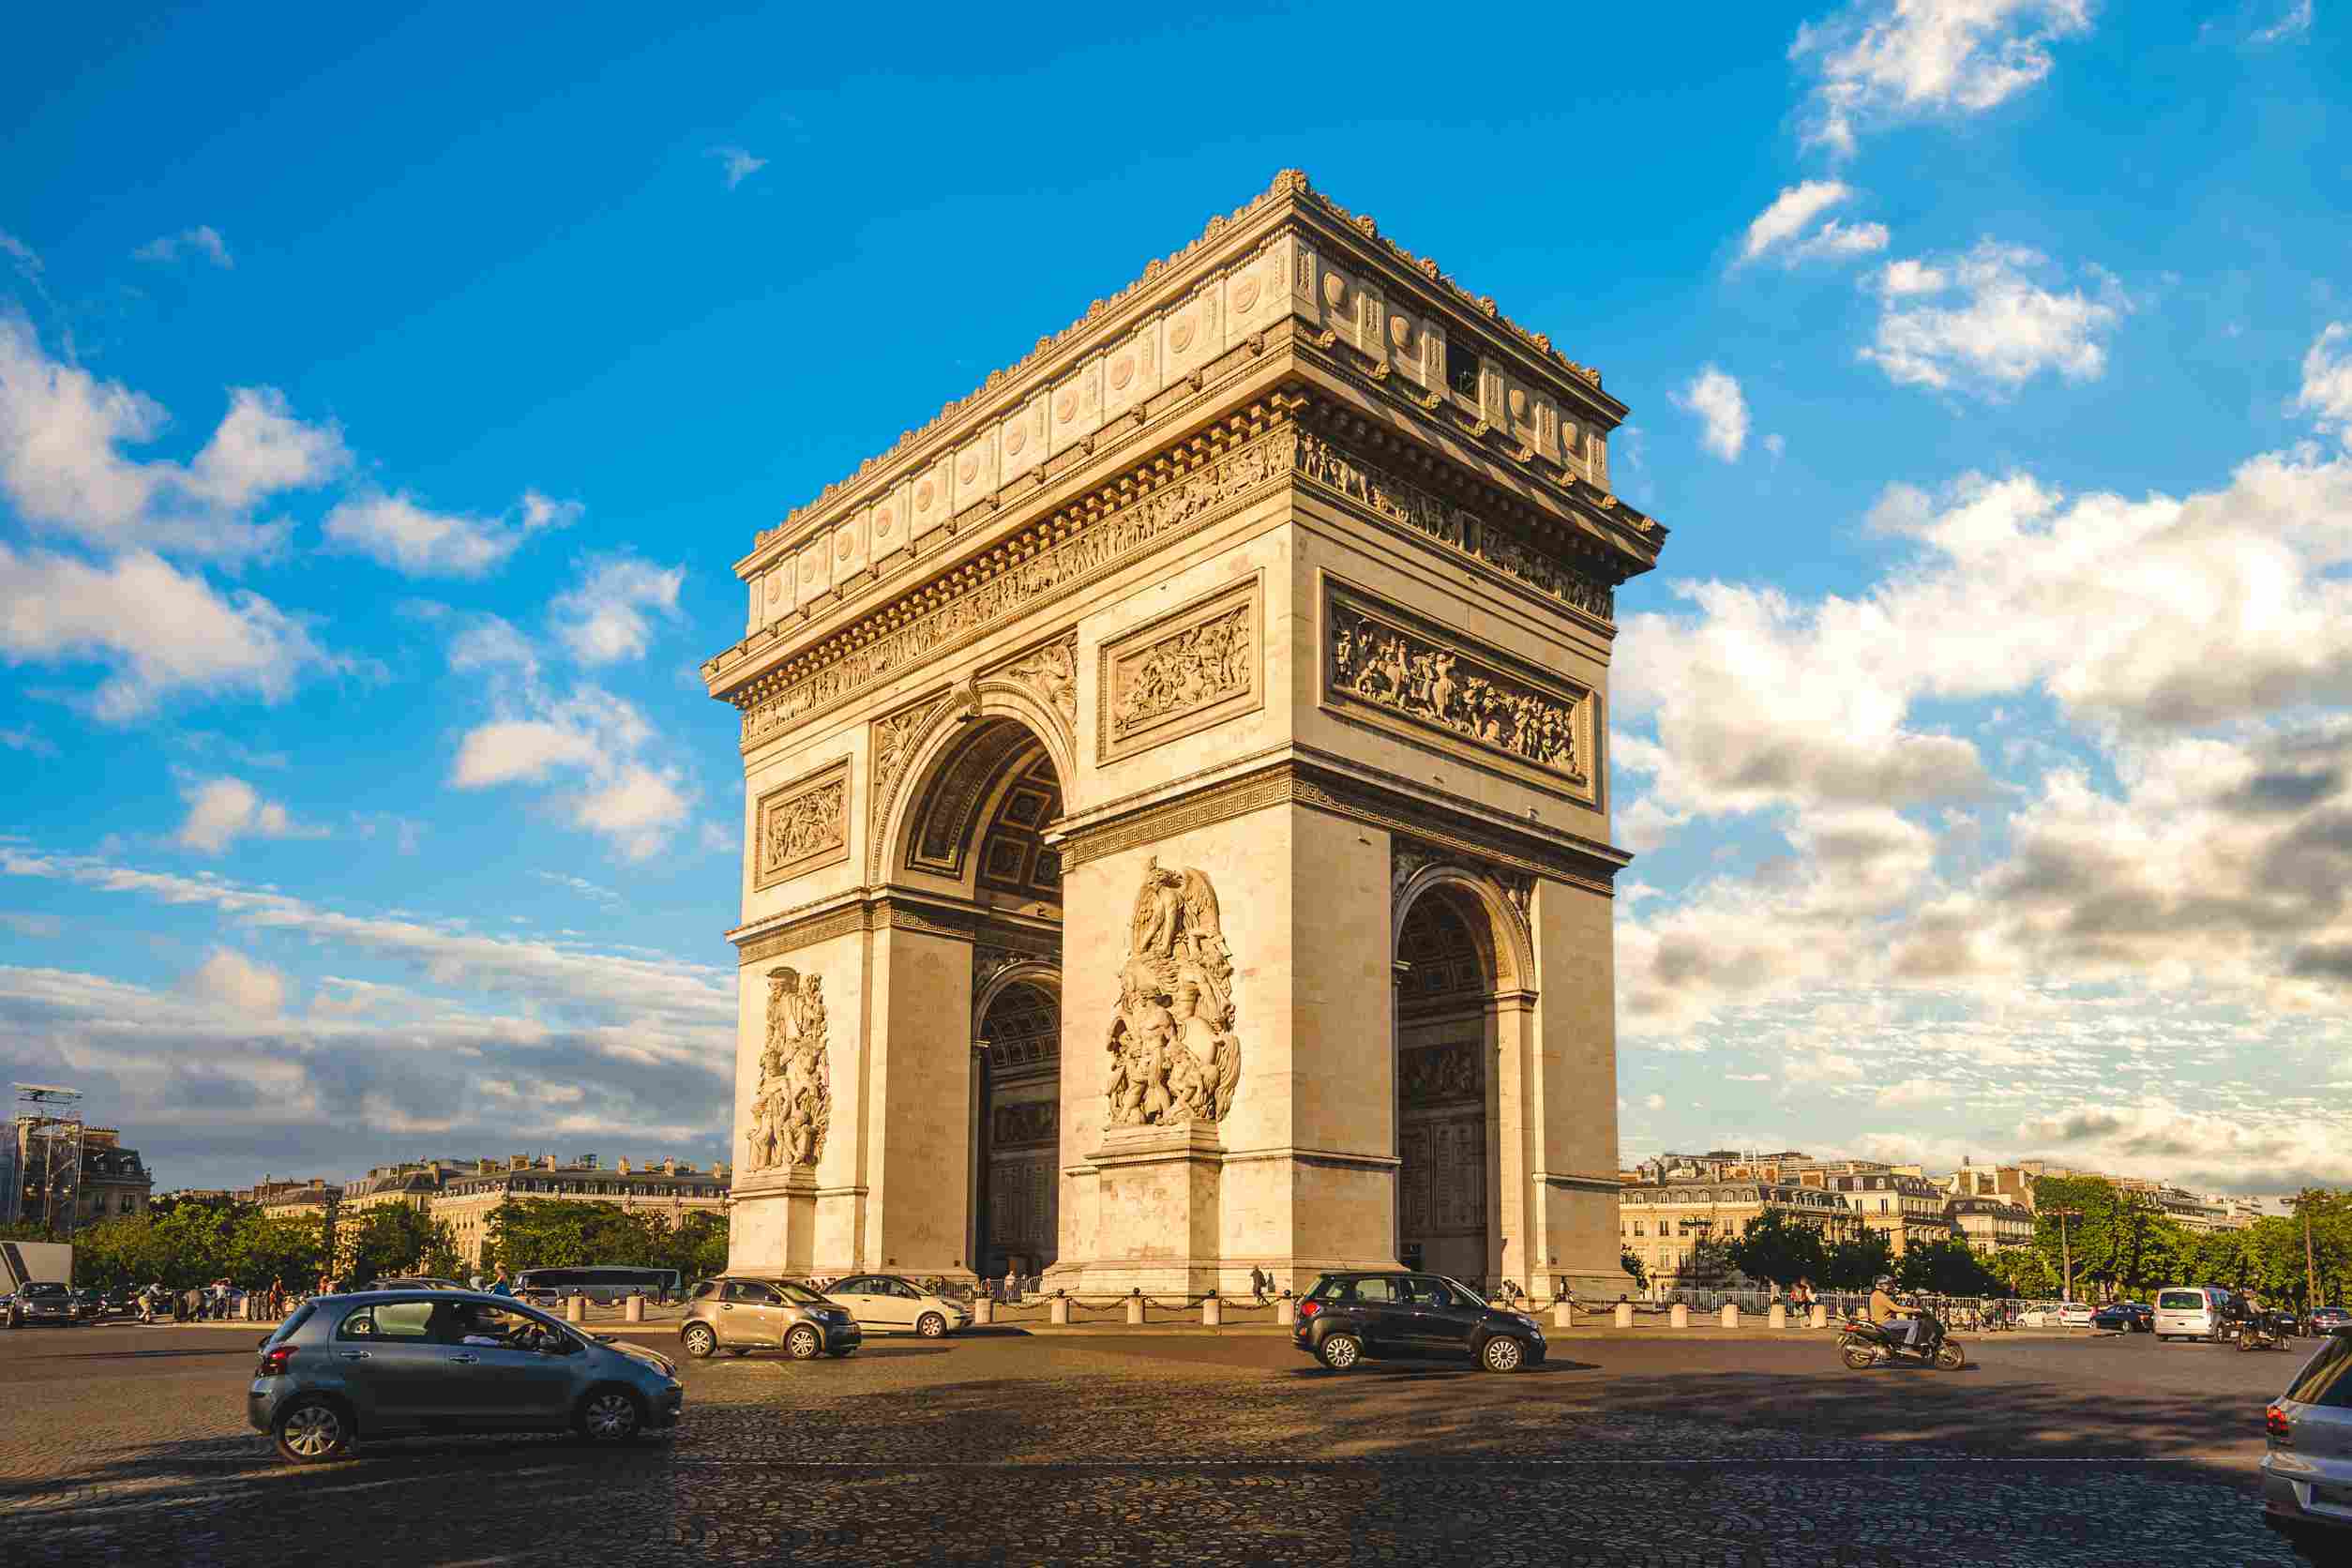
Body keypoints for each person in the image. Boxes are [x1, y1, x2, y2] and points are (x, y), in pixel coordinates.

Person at [1869, 1274, 1928, 1353]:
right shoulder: (1880, 1295)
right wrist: (1913, 1310)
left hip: (1882, 1320)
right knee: (1914, 1324)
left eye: (1889, 1284)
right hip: (1885, 1322)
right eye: (1887, 1284)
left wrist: (1894, 1294)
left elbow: (1890, 1306)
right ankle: (1907, 1346)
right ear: (1879, 1286)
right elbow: (1895, 1308)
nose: (1889, 1286)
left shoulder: (1877, 1294)